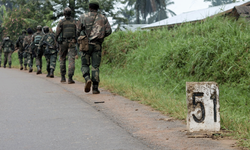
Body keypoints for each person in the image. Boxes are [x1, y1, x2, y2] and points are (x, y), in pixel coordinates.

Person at [77, 0, 112, 94]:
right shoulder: (103, 18)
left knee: (85, 65)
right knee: (95, 66)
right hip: (97, 45)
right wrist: (100, 36)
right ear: (97, 8)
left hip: (85, 44)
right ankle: (95, 88)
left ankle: (87, 78)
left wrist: (80, 38)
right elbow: (109, 31)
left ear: (89, 7)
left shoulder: (83, 17)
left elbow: (77, 30)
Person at [55, 7, 78, 84]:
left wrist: (56, 41)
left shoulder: (61, 21)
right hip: (72, 42)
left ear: (64, 13)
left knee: (62, 59)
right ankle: (70, 78)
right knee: (71, 60)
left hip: (63, 43)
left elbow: (57, 33)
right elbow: (77, 32)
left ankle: (63, 77)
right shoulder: (74, 21)